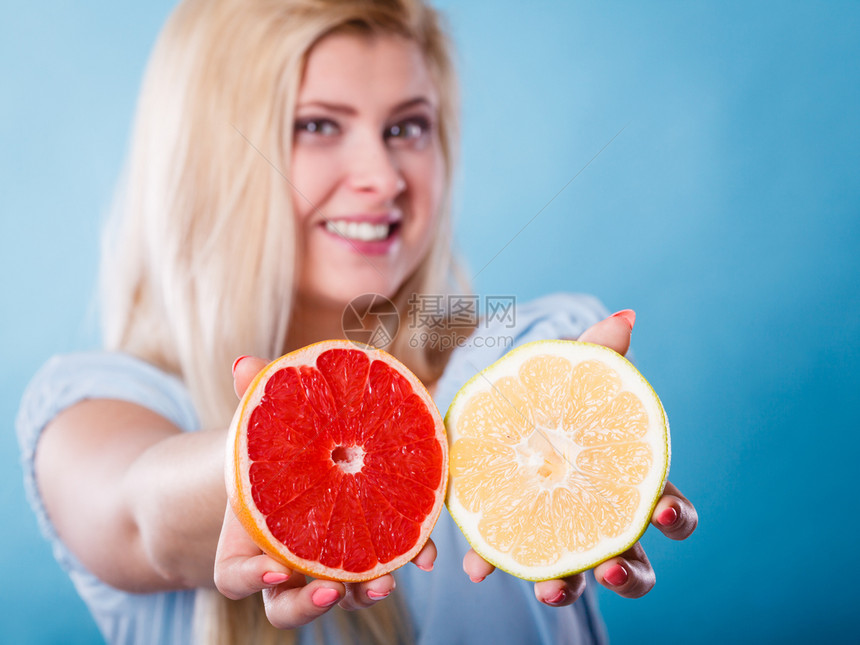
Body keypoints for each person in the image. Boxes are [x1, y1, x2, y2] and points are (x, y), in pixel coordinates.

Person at [17, 0, 698, 643]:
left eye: (406, 127)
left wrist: (579, 454)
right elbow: (142, 515)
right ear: (210, 155)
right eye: (317, 124)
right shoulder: (92, 411)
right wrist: (290, 464)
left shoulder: (516, 348)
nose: (383, 175)